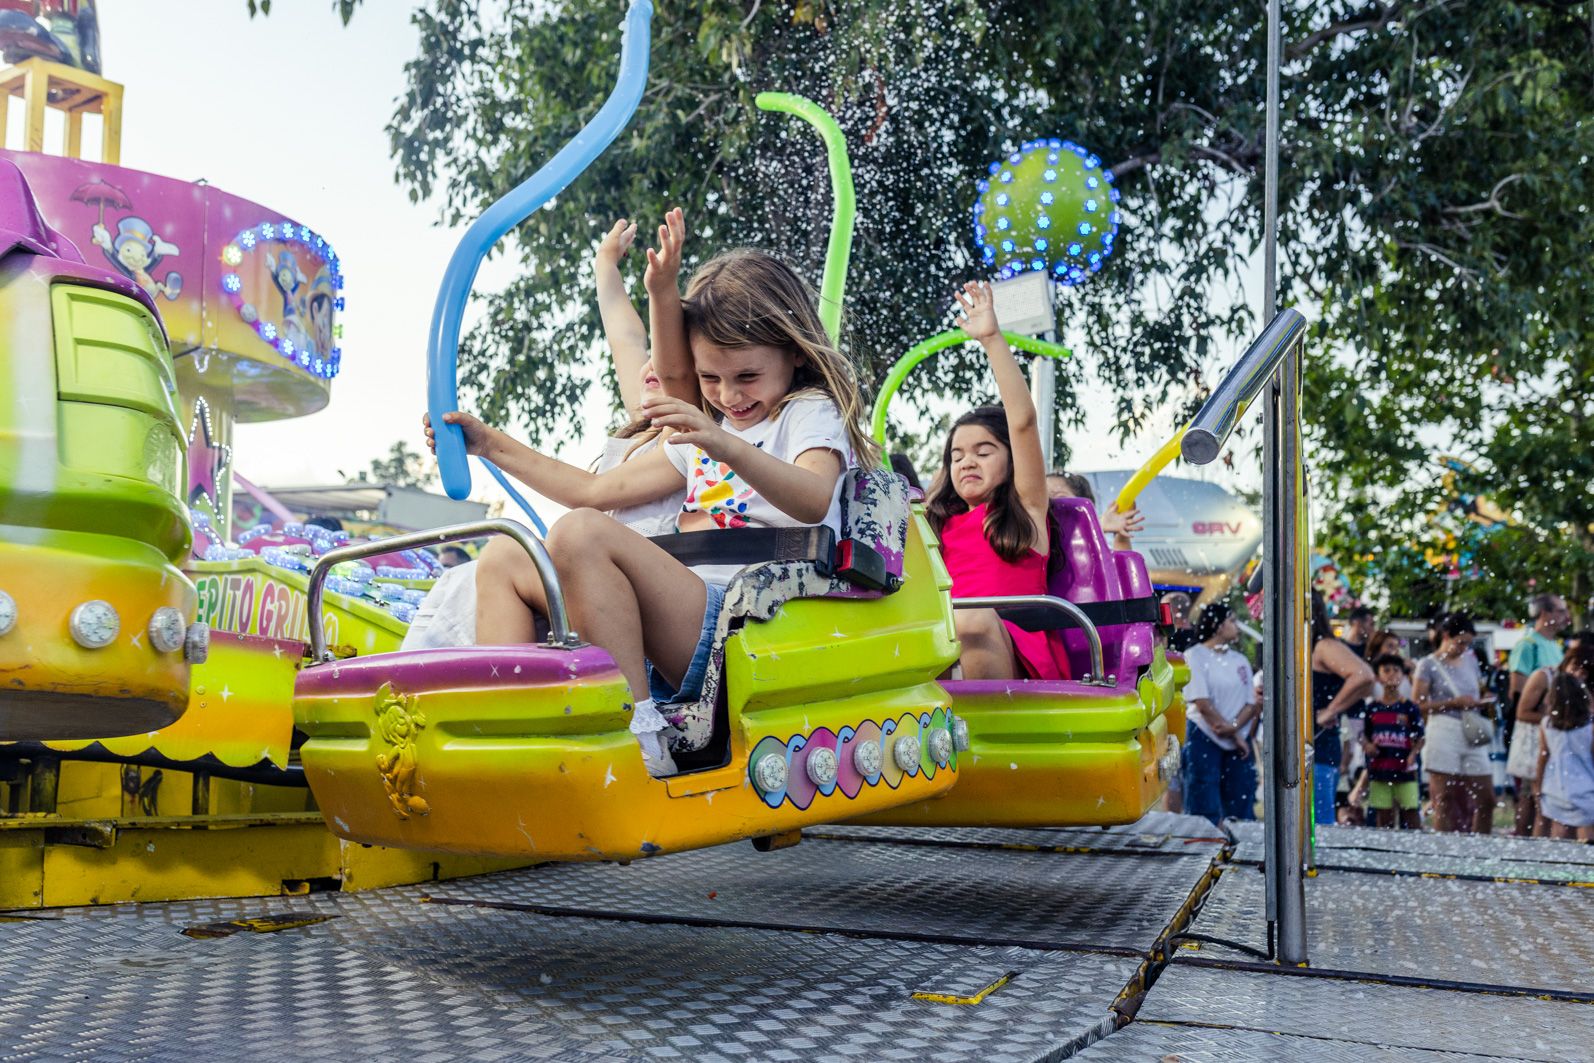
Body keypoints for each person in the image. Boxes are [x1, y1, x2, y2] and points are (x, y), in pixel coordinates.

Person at [435, 242, 874, 777]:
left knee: (580, 536)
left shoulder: (806, 412)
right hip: (679, 623)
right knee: (505, 556)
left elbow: (812, 498)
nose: (729, 395)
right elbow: (592, 491)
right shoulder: (702, 431)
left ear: (795, 353)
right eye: (710, 379)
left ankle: (639, 734)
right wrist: (489, 444)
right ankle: (510, 733)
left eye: (747, 377)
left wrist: (721, 442)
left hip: (753, 624)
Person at [405, 217, 683, 653]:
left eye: (669, 359)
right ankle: (461, 690)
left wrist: (489, 444)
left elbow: (590, 491)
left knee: (487, 571)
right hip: (599, 575)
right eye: (654, 357)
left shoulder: (690, 441)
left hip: (634, 595)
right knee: (475, 572)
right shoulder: (649, 424)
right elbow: (626, 336)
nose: (651, 366)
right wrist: (605, 264)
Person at [924, 283, 1068, 681]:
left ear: (1010, 460)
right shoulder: (936, 524)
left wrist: (991, 339)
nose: (967, 462)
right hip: (944, 651)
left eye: (983, 452)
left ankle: (984, 725)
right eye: (957, 456)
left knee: (969, 620)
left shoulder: (1027, 508)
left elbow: (1022, 422)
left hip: (1012, 654)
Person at [1413, 612, 1498, 833]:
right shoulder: (1428, 664)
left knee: (1486, 798)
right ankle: (1443, 849)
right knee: (1444, 797)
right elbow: (1418, 705)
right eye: (1460, 643)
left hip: (1470, 729)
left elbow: (1477, 689)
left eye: (1468, 644)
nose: (1463, 648)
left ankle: (1481, 847)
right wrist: (1453, 703)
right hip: (1443, 727)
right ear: (1446, 636)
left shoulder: (1470, 661)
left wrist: (1482, 701)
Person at [1179, 602, 1260, 823]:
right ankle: (1205, 852)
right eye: (1232, 621)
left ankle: (1240, 851)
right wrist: (1233, 733)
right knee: (1204, 807)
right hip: (1204, 735)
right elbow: (1203, 704)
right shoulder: (1194, 656)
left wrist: (1234, 728)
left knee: (1241, 805)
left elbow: (1251, 703)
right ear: (1217, 625)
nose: (1237, 626)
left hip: (1238, 739)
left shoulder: (1240, 660)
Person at [1310, 592, 1376, 827]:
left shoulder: (1323, 645)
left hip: (1319, 747)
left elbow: (1364, 676)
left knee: (1318, 825)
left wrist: (1331, 710)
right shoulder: (1303, 646)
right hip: (1309, 747)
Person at [1534, 647, 1594, 840]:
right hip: (1586, 789)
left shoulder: (1547, 724)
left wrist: (1538, 785)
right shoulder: (1590, 726)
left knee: (1560, 843)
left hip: (1556, 788)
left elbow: (1543, 757)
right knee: (1587, 846)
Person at [1361, 653, 1425, 829]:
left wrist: (1413, 754)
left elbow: (1420, 736)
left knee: (1411, 814)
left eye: (1396, 670)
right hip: (1380, 770)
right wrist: (1368, 746)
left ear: (1403, 676)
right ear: (1377, 677)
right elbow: (1364, 735)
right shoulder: (1372, 708)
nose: (1392, 674)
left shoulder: (1409, 707)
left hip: (1405, 770)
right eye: (1386, 670)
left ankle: (1413, 850)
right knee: (1384, 817)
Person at [1045, 471, 1144, 550]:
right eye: (1043, 498)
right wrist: (1097, 526)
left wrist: (1121, 536)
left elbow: (1122, 569)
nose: (1049, 504)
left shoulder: (1091, 548)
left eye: (1060, 498)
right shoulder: (1039, 540)